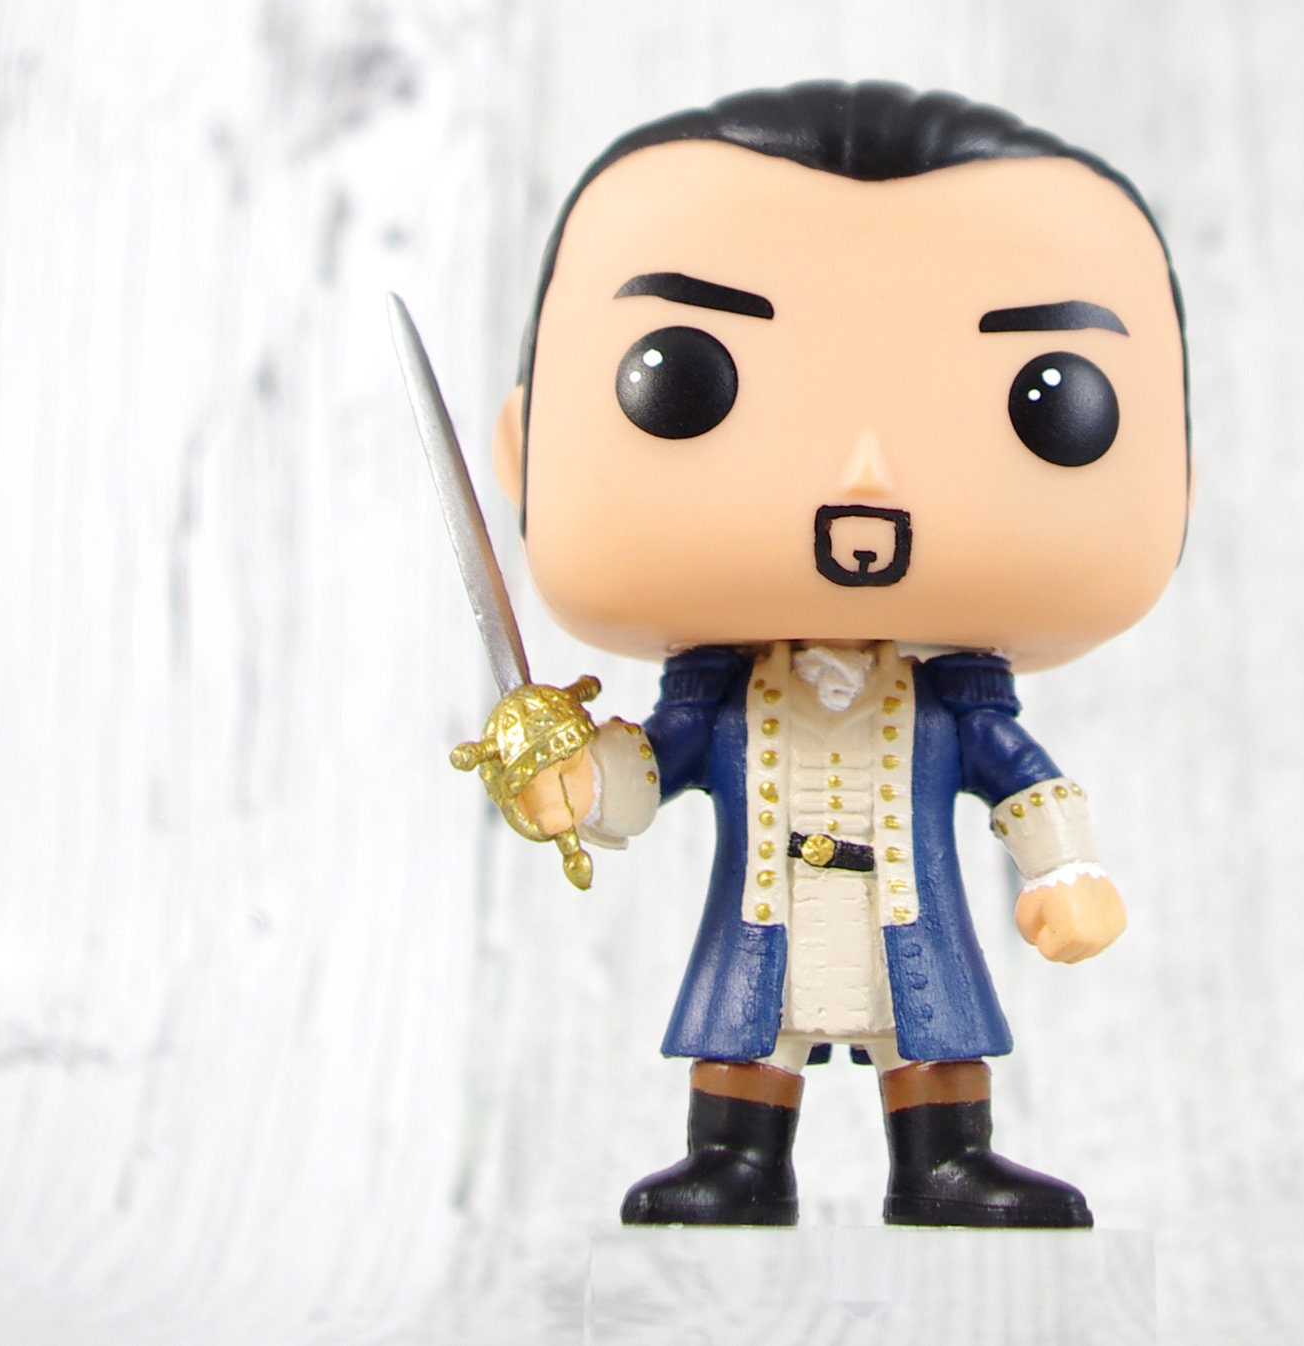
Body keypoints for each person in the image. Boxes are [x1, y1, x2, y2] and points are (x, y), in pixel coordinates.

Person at [485, 81, 1191, 1227]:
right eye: (680, 376)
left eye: (1048, 399)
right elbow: (652, 763)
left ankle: (944, 1162)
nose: (865, 480)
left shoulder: (955, 697)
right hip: (765, 913)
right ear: (524, 453)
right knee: (747, 1029)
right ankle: (735, 1158)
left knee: (930, 1027)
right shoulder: (717, 695)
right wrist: (577, 778)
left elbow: (1021, 777)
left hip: (908, 912)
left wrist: (1066, 869)